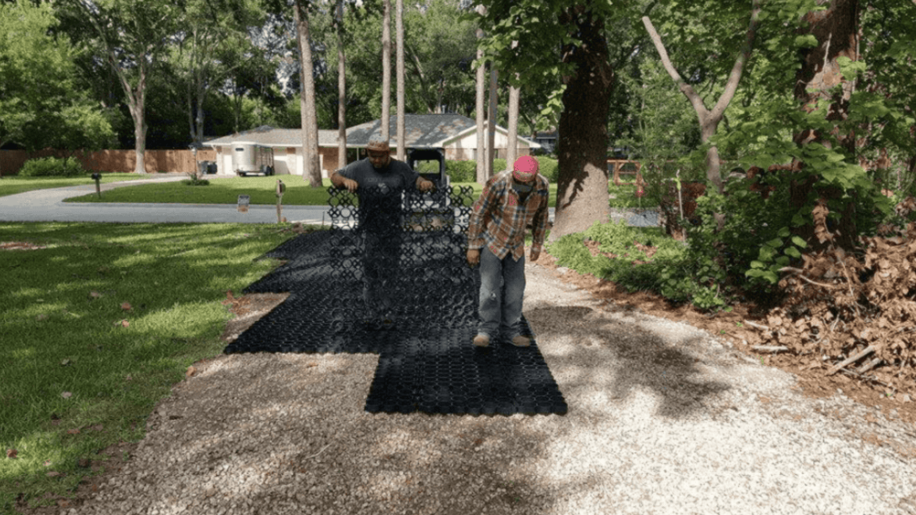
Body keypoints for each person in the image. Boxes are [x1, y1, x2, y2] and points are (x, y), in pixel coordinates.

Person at [330, 136, 436, 326]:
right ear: (367, 153)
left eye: (380, 156)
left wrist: (423, 183)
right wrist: (345, 181)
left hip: (393, 230)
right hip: (368, 229)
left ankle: (388, 313)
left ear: (388, 153)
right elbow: (334, 177)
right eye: (372, 156)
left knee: (390, 273)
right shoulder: (358, 168)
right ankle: (372, 313)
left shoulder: (400, 168)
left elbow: (415, 179)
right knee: (371, 274)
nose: (376, 160)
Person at [466, 155, 549, 348]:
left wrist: (537, 244)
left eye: (526, 183)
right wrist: (473, 246)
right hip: (492, 239)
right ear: (514, 174)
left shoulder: (542, 186)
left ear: (534, 178)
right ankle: (485, 331)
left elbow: (542, 216)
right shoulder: (498, 182)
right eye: (519, 181)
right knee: (489, 288)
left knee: (515, 289)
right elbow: (478, 211)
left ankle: (510, 331)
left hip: (516, 244)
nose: (522, 185)